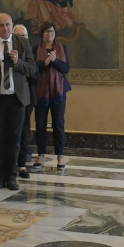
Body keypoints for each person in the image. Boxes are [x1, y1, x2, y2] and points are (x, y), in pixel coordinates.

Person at [0, 12, 36, 190]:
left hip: (17, 98)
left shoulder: (23, 42)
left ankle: (12, 177)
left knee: (15, 138)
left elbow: (31, 68)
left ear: (12, 25)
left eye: (7, 25)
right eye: (1, 26)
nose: (5, 29)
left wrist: (17, 62)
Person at [33, 21, 71, 171]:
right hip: (41, 91)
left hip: (58, 91)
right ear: (42, 34)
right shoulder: (36, 49)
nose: (50, 35)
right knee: (40, 124)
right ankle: (40, 154)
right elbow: (33, 69)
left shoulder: (62, 48)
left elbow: (66, 68)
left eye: (52, 32)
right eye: (47, 32)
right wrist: (45, 63)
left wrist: (54, 62)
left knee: (58, 124)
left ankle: (60, 156)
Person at [13, 23, 34, 179]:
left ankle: (21, 165)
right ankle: (10, 166)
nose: (21, 38)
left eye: (24, 36)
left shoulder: (30, 51)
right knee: (11, 133)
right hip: (9, 97)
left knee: (24, 132)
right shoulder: (8, 52)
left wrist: (19, 66)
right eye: (18, 36)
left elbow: (34, 73)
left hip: (26, 98)